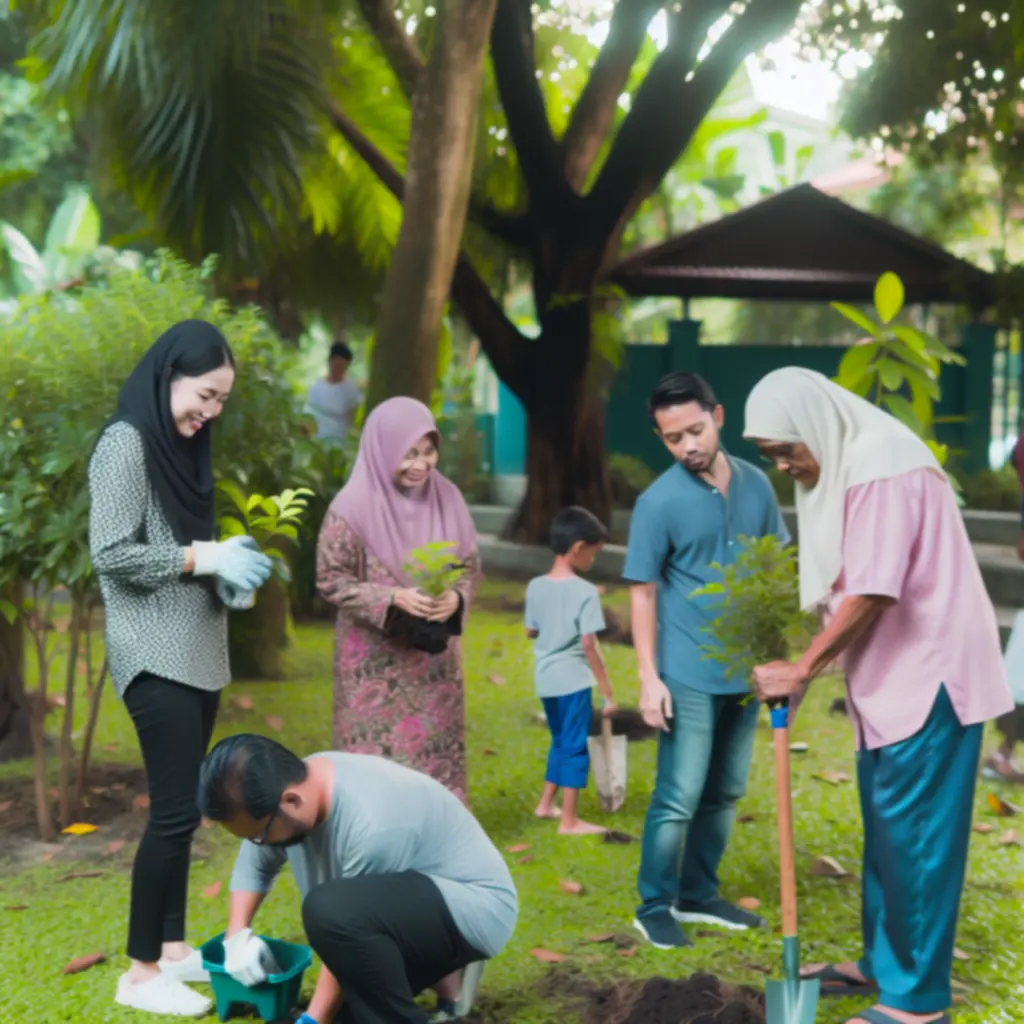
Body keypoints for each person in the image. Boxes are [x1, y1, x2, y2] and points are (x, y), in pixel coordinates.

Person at [744, 367, 1014, 1024]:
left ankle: (918, 1002)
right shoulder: (850, 460)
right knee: (890, 829)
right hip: (895, 676)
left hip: (932, 675)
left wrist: (805, 666)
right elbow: (844, 582)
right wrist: (809, 671)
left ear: (816, 426)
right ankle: (882, 962)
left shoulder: (879, 464)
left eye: (787, 449)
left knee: (917, 835)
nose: (785, 466)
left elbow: (874, 587)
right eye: (771, 456)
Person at [88, 321, 275, 1017]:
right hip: (153, 654)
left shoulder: (180, 450)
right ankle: (139, 975)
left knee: (186, 811)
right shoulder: (125, 444)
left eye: (222, 400)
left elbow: (179, 547)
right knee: (171, 816)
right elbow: (109, 553)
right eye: (205, 394)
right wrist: (203, 558)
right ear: (169, 376)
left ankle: (170, 952)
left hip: (197, 652)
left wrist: (228, 564)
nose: (212, 412)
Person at [623, 371, 788, 949]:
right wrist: (648, 679)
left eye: (695, 430)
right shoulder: (657, 502)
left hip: (746, 674)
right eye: (673, 438)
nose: (688, 445)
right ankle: (653, 903)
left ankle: (698, 894)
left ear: (717, 418)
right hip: (687, 671)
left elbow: (773, 569)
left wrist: (780, 659)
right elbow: (641, 590)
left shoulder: (758, 485)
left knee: (726, 791)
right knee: (679, 792)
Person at [197, 734, 518, 1024]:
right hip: (403, 906)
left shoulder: (373, 825)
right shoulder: (285, 788)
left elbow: (348, 931)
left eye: (259, 835)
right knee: (348, 998)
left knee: (330, 913)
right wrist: (236, 936)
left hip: (474, 910)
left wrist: (313, 1020)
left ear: (291, 801)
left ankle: (439, 979)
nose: (259, 844)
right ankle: (440, 978)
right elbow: (253, 868)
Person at [316, 396, 479, 801]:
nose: (421, 465)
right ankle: (373, 836)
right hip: (373, 661)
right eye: (408, 454)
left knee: (435, 750)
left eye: (428, 452)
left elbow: (469, 565)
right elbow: (329, 578)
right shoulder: (350, 508)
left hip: (433, 661)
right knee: (374, 759)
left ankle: (439, 834)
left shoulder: (449, 498)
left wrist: (455, 599)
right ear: (382, 449)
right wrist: (392, 597)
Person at [525, 506, 618, 836]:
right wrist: (607, 692)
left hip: (546, 680)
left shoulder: (535, 586)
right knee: (575, 746)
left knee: (560, 740)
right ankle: (569, 820)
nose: (592, 562)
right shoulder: (585, 591)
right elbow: (590, 646)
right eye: (592, 555)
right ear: (578, 548)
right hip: (573, 681)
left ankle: (545, 804)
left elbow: (531, 632)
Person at [305, 341, 361, 442]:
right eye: (336, 366)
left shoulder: (351, 390)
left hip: (337, 440)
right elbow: (308, 413)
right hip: (315, 439)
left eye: (342, 367)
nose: (337, 370)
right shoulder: (316, 386)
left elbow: (351, 417)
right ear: (329, 362)